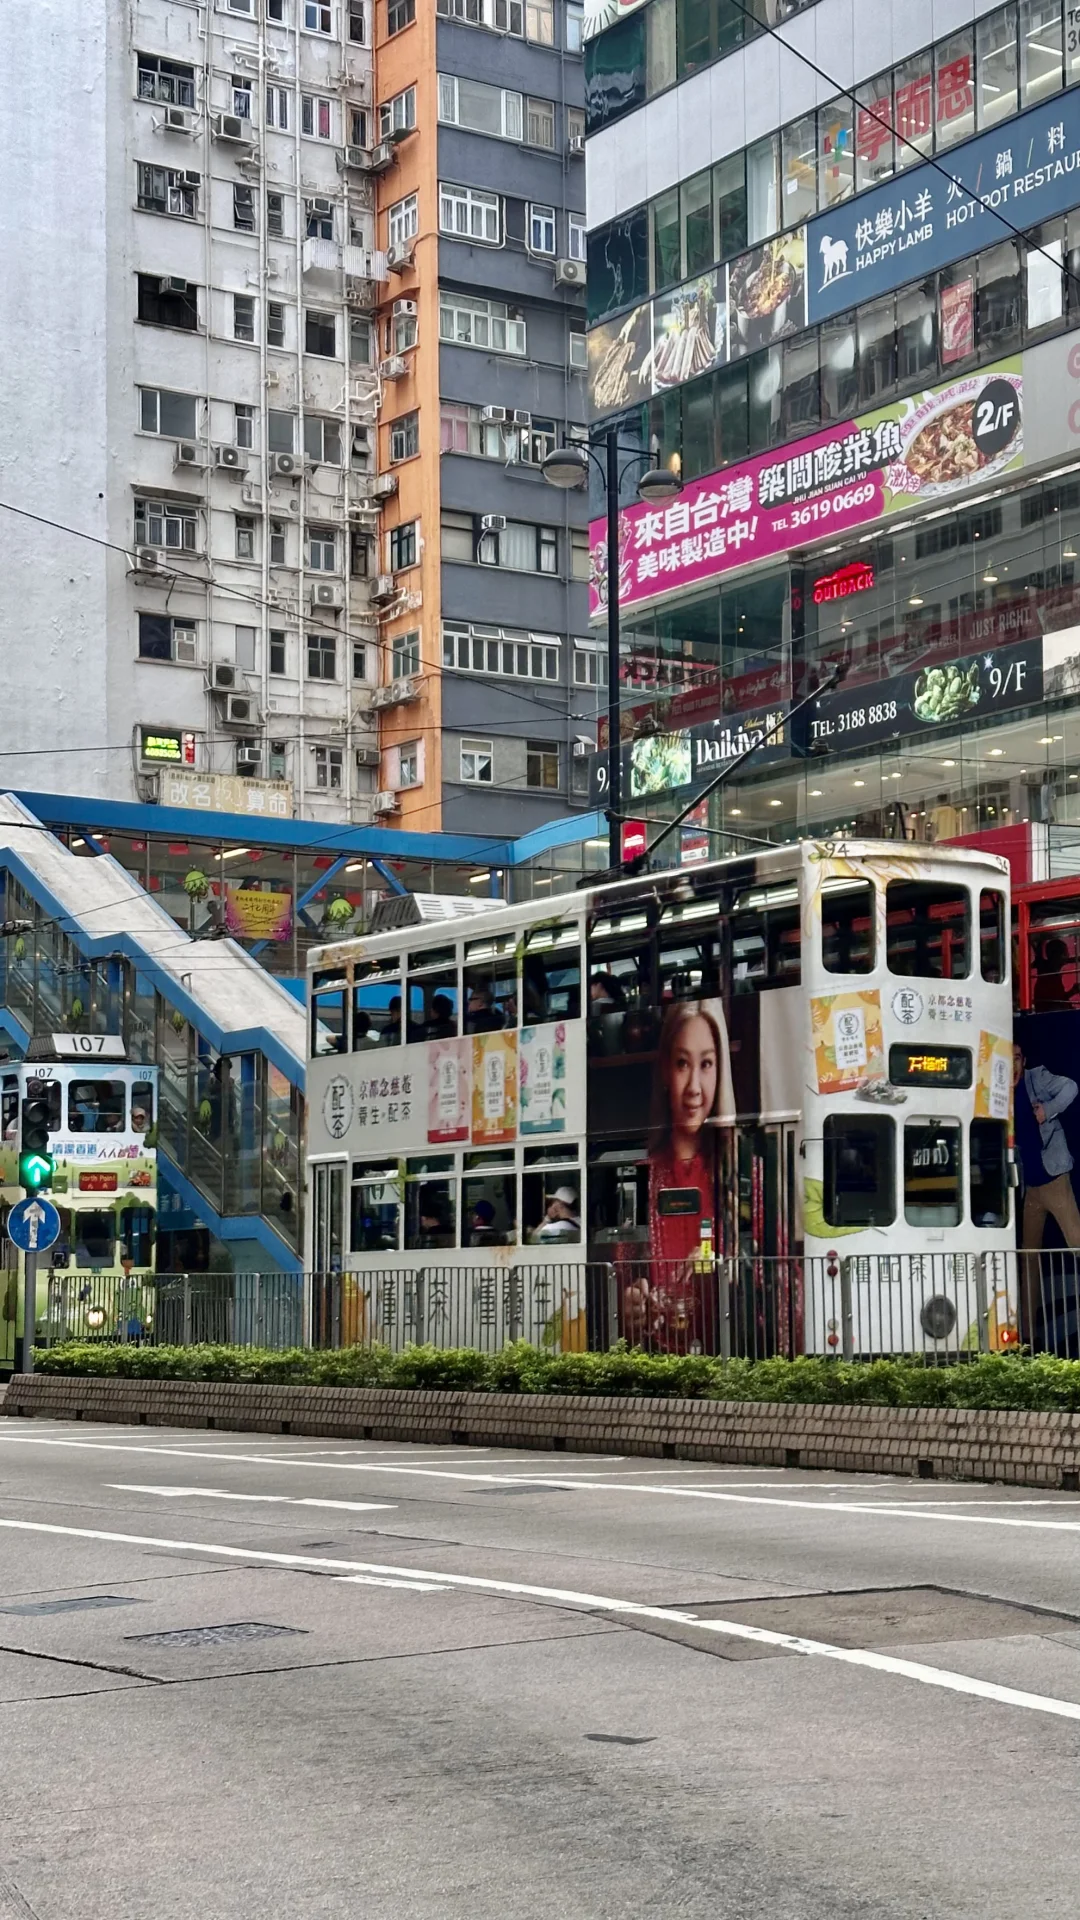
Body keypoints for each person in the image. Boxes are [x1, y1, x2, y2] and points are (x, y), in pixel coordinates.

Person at [623, 999, 734, 1353]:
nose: (695, 1087)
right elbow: (623, 1268)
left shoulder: (742, 1173)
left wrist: (721, 1255)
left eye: (707, 1064)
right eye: (683, 1064)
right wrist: (629, 1304)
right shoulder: (643, 1172)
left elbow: (782, 1282)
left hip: (729, 1351)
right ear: (666, 1075)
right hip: (660, 1356)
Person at [1014, 1043, 1080, 1343]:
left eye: (1017, 1057)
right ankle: (1026, 1338)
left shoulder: (1035, 1078)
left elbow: (1071, 1088)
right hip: (1031, 1186)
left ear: (1023, 1060)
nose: (1013, 1064)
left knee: (1076, 1242)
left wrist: (1047, 1111)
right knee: (1029, 1257)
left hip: (1054, 1178)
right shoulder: (997, 1089)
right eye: (1008, 1058)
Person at [1033, 938, 1079, 1013]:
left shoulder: (1053, 975)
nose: (1067, 956)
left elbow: (1058, 999)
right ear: (1055, 955)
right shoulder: (1048, 978)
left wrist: (1072, 992)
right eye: (1064, 953)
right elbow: (1055, 1004)